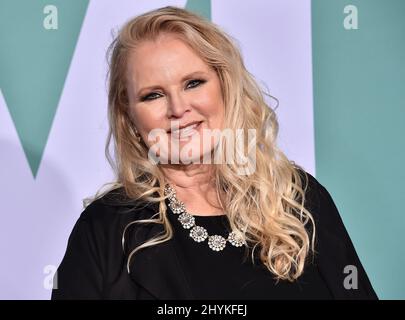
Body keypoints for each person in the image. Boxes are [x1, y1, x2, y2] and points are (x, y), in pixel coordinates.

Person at [51, 6, 377, 300]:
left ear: (224, 85)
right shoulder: (105, 231)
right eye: (153, 95)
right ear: (129, 115)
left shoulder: (297, 200)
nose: (179, 108)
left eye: (193, 83)